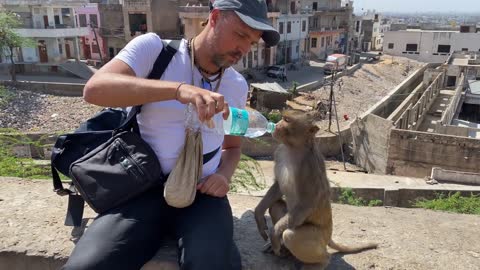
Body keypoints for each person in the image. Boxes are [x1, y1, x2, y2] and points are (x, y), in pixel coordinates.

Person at [61, 0, 279, 270]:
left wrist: (223, 176)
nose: (244, 49)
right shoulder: (154, 50)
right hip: (142, 188)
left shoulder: (235, 85)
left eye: (252, 42)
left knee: (209, 264)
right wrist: (177, 90)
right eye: (241, 35)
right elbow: (94, 89)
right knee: (88, 265)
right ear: (214, 18)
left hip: (202, 195)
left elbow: (232, 149)